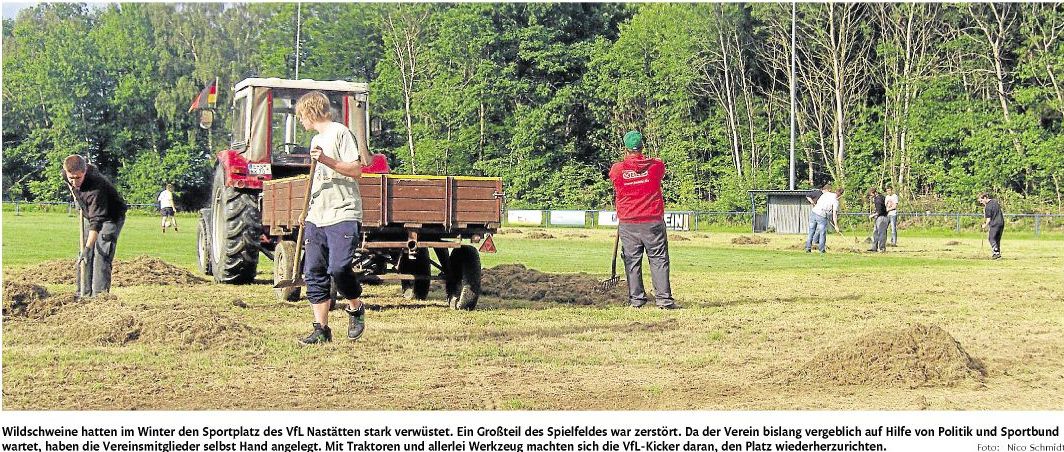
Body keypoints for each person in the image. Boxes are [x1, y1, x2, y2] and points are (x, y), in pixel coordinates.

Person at [295, 91, 366, 344]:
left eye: (301, 115)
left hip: (342, 212)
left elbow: (356, 169)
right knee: (313, 271)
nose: (300, 120)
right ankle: (321, 329)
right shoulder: (315, 139)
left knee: (339, 268)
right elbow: (317, 179)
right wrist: (306, 210)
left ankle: (355, 307)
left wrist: (325, 159)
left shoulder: (340, 133)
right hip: (317, 215)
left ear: (310, 111)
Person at [608, 130, 679, 310]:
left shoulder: (617, 169)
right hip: (652, 221)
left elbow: (615, 181)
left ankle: (637, 300)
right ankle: (664, 300)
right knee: (659, 259)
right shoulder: (656, 166)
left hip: (628, 222)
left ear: (625, 148)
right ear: (642, 147)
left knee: (632, 261)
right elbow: (659, 167)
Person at [63, 155, 128, 297]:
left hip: (111, 216)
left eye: (78, 178)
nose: (74, 181)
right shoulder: (66, 174)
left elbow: (96, 222)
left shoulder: (96, 187)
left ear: (85, 171)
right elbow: (71, 185)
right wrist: (78, 199)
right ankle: (83, 293)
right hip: (90, 214)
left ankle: (99, 297)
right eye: (71, 178)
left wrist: (87, 248)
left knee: (101, 253)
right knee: (84, 255)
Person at [805, 183, 841, 253]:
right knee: (822, 233)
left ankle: (808, 248)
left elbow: (818, 202)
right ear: (840, 195)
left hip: (814, 212)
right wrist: (836, 226)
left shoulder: (826, 194)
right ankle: (821, 249)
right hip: (821, 215)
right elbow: (834, 215)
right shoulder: (835, 201)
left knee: (811, 231)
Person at [979, 192, 1004, 260]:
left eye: (981, 200)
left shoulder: (987, 207)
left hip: (994, 224)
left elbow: (988, 219)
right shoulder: (995, 201)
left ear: (985, 198)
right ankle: (997, 254)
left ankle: (996, 253)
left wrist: (984, 225)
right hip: (1001, 223)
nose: (981, 202)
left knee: (991, 238)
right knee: (997, 239)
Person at [867, 188, 888, 252]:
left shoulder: (878, 200)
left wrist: (872, 215)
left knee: (881, 234)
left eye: (871, 195)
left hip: (882, 218)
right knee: (875, 233)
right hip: (878, 217)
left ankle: (882, 248)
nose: (870, 197)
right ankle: (874, 247)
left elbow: (880, 211)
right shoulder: (878, 198)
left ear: (874, 193)